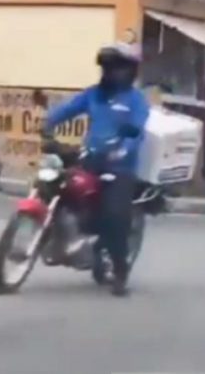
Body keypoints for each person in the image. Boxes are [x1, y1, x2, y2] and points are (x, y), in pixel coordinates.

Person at [43, 42, 149, 297]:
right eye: (107, 68)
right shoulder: (93, 95)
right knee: (55, 184)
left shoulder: (136, 101)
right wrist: (48, 124)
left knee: (115, 216)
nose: (111, 73)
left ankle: (120, 271)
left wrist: (123, 148)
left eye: (117, 68)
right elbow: (66, 110)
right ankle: (59, 238)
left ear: (130, 71)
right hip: (90, 159)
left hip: (120, 166)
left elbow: (137, 132)